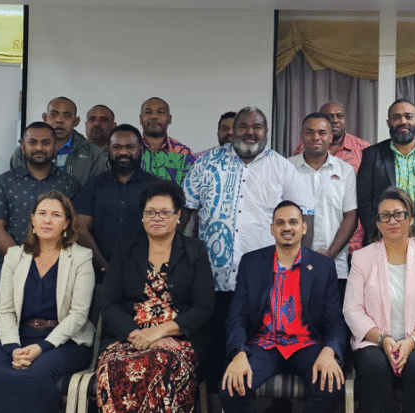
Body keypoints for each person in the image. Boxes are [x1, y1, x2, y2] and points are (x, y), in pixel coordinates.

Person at [181, 106, 315, 395]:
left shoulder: (282, 167)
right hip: (211, 277)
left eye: (257, 127)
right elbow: (185, 211)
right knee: (214, 354)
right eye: (243, 126)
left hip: (264, 282)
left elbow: (305, 216)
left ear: (266, 131)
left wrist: (300, 270)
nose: (250, 132)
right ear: (233, 130)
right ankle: (215, 405)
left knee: (254, 354)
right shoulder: (205, 163)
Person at [0, 190, 95, 413]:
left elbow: (78, 315)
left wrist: (42, 348)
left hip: (65, 341)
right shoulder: (15, 256)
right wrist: (13, 348)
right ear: (32, 219)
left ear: (67, 223)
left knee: (34, 378)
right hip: (18, 336)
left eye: (56, 215)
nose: (47, 220)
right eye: (42, 213)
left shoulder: (81, 257)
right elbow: (5, 310)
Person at [95, 180, 215, 412]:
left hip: (178, 338)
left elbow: (204, 306)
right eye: (150, 212)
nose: (156, 218)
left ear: (178, 215)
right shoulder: (124, 249)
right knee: (113, 366)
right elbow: (109, 304)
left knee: (162, 362)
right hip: (129, 337)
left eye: (164, 212)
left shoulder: (195, 250)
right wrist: (136, 335)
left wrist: (159, 332)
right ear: (142, 216)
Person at [220, 201, 346, 413]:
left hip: (306, 343)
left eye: (293, 222)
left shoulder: (323, 266)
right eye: (280, 223)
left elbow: (335, 320)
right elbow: (236, 317)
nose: (287, 227)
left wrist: (329, 351)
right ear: (272, 229)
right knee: (231, 387)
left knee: (330, 385)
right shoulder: (251, 263)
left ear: (304, 228)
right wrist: (238, 353)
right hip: (264, 344)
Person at [343, 187, 415, 411]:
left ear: (410, 218)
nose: (392, 221)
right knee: (374, 369)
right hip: (374, 343)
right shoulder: (362, 258)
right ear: (378, 223)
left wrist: (411, 342)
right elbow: (352, 310)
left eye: (399, 214)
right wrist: (383, 340)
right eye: (385, 215)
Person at [0, 122, 81, 356]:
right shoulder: (4, 182)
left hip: (56, 275)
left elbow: (74, 228)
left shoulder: (70, 184)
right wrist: (24, 263)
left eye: (46, 143)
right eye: (32, 142)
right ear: (22, 146)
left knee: (52, 343)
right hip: (7, 272)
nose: (39, 148)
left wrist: (44, 264)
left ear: (56, 146)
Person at [357, 99, 415, 249]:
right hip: (380, 245)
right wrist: (383, 238)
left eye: (408, 116)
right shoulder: (372, 155)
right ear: (389, 123)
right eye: (397, 117)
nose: (403, 121)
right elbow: (364, 203)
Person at [75, 124, 159, 281]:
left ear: (140, 149)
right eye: (117, 147)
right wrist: (104, 266)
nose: (123, 152)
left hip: (145, 276)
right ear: (109, 150)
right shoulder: (93, 186)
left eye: (130, 147)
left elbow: (165, 231)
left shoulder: (156, 187)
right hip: (99, 277)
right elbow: (80, 229)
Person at [287, 112, 358, 291]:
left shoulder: (345, 171)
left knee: (333, 308)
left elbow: (351, 216)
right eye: (309, 132)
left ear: (330, 137)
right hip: (292, 261)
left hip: (335, 261)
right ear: (302, 136)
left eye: (322, 132)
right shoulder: (286, 168)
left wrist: (330, 254)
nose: (316, 137)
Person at [293, 101, 370, 252]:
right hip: (306, 239)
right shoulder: (303, 148)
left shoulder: (362, 148)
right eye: (329, 116)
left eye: (339, 116)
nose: (335, 120)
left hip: (352, 241)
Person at [11, 97, 107, 185]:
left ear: (76, 121)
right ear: (45, 118)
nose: (59, 120)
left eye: (67, 116)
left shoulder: (93, 153)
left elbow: (95, 190)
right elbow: (16, 187)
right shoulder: (23, 151)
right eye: (53, 114)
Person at [139, 97, 197, 185]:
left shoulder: (183, 153)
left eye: (160, 112)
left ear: (169, 119)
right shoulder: (130, 150)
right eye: (148, 112)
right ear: (140, 119)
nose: (154, 116)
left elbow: (191, 188)